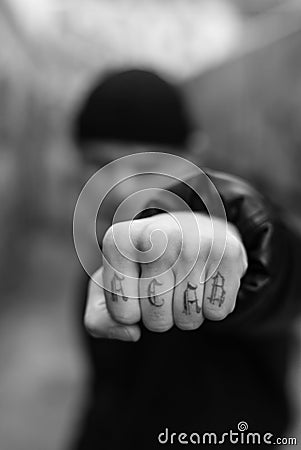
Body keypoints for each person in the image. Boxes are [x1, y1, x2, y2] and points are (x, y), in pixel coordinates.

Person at [71, 69, 300, 449]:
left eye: (144, 163)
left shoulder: (225, 227)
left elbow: (284, 273)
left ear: (193, 155)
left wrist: (239, 231)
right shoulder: (103, 243)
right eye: (100, 162)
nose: (119, 187)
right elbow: (111, 393)